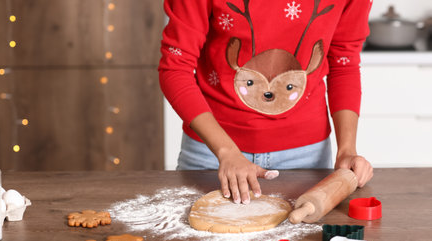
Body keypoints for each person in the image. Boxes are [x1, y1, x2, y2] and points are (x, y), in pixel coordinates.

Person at [158, 0, 374, 204]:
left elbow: (343, 63)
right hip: (212, 153)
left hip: (306, 158)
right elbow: (176, 69)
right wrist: (226, 151)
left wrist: (347, 150)